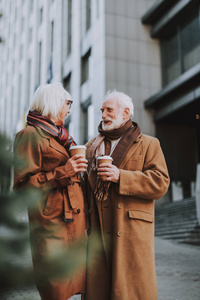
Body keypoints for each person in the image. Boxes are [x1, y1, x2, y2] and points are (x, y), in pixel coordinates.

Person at [85, 90, 170, 300]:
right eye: (102, 110)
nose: (103, 114)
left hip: (131, 231)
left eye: (109, 110)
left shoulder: (150, 144)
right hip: (98, 228)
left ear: (126, 113)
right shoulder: (90, 147)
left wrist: (120, 176)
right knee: (100, 291)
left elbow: (160, 182)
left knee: (131, 291)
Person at [14, 83, 88, 300]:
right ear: (53, 104)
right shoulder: (29, 135)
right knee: (55, 288)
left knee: (74, 284)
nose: (69, 110)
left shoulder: (61, 136)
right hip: (51, 223)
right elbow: (22, 187)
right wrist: (63, 172)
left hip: (74, 220)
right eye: (67, 104)